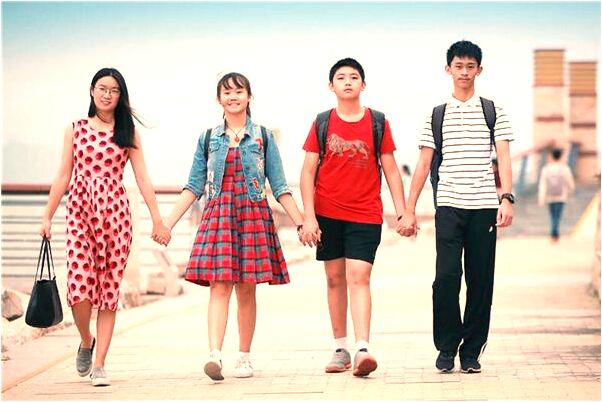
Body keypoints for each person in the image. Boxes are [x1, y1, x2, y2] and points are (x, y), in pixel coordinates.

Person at [161, 72, 309, 381]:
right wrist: (167, 223)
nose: (233, 97)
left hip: (252, 214)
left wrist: (302, 222)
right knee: (219, 285)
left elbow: (280, 186)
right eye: (226, 92)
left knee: (246, 288)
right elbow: (193, 186)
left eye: (239, 91)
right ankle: (214, 354)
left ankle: (244, 357)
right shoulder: (208, 138)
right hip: (219, 216)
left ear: (248, 97)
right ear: (219, 100)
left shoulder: (263, 137)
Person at [39, 67, 171, 386]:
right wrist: (46, 216)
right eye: (102, 88)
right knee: (79, 286)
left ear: (120, 95)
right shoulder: (75, 129)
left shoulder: (128, 133)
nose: (107, 94)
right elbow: (63, 175)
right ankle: (86, 339)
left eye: (114, 90)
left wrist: (157, 219)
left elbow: (142, 178)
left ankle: (99, 364)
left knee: (108, 290)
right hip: (80, 214)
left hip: (116, 217)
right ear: (92, 91)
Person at [398, 40, 514, 374]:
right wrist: (409, 209)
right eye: (458, 66)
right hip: (448, 205)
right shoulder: (437, 114)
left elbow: (503, 156)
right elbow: (423, 164)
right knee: (446, 278)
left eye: (470, 66)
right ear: (448, 69)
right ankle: (447, 347)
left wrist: (507, 198)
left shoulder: (494, 111)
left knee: (480, 281)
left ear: (479, 70)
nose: (464, 72)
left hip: (483, 206)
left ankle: (472, 351)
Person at [299, 58, 406, 377]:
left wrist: (403, 212)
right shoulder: (322, 122)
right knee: (334, 279)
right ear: (331, 86)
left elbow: (390, 170)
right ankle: (340, 348)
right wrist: (308, 217)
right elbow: (307, 172)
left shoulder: (377, 122)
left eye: (354, 77)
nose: (348, 82)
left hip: (365, 213)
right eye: (341, 77)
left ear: (363, 84)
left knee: (359, 276)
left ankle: (362, 348)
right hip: (327, 213)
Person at [538, 147, 575, 242]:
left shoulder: (546, 169)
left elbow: (543, 185)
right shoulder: (564, 168)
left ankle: (554, 235)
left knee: (552, 216)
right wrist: (571, 190)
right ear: (561, 156)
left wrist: (541, 198)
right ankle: (554, 234)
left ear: (551, 156)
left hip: (550, 197)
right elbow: (570, 182)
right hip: (561, 197)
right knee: (557, 216)